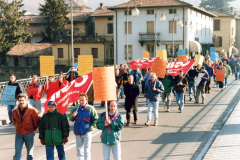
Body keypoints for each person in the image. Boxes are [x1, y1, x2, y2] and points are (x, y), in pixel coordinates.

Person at [69, 93, 98, 160]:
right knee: (79, 151)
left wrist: (90, 128)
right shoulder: (75, 108)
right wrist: (73, 116)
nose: (81, 102)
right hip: (78, 132)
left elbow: (96, 119)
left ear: (86, 100)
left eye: (83, 100)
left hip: (87, 132)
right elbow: (71, 119)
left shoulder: (91, 108)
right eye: (80, 100)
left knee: (87, 151)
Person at [12, 93, 40, 160]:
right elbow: (14, 121)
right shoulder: (14, 111)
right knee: (17, 153)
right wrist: (18, 128)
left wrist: (32, 129)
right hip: (18, 134)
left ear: (26, 100)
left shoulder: (32, 110)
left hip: (29, 134)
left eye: (22, 100)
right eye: (19, 100)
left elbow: (37, 121)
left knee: (30, 154)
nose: (21, 102)